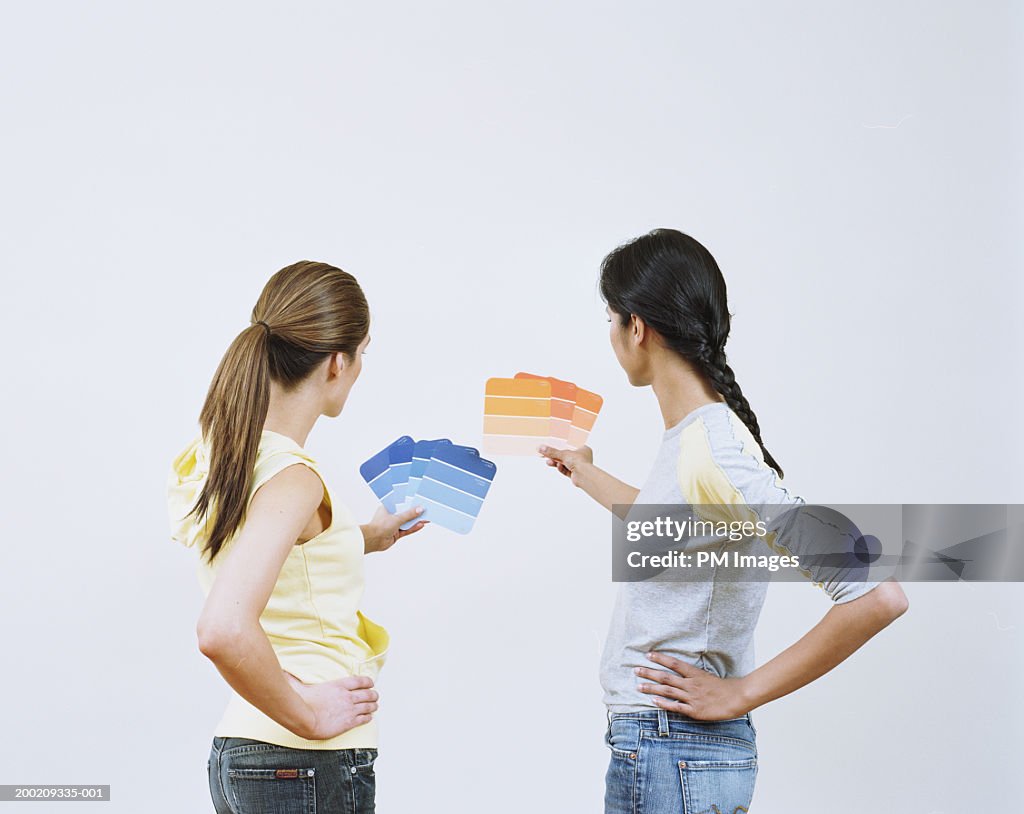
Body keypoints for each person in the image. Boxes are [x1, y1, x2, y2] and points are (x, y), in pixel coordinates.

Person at [540, 229, 909, 814]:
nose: (611, 335)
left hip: (673, 749)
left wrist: (740, 693)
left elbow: (876, 595)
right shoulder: (699, 440)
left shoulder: (712, 448)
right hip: (672, 749)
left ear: (637, 328)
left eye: (612, 319)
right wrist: (585, 471)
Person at [166, 260, 427, 814]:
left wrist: (365, 537)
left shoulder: (230, 455)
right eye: (363, 354)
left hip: (263, 755)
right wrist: (307, 714)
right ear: (338, 362)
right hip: (303, 757)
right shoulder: (294, 478)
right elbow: (221, 628)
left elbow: (279, 559)